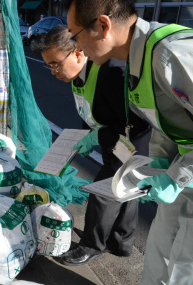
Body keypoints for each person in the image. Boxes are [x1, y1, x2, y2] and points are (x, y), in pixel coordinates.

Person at [67, 0, 193, 283]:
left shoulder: (171, 54)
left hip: (187, 174)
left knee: (183, 270)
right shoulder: (138, 59)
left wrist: (179, 176)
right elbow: (164, 120)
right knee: (158, 258)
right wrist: (162, 163)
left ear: (102, 26)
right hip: (181, 173)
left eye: (75, 36)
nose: (76, 48)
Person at [33, 25, 150, 265]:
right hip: (112, 140)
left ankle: (91, 245)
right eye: (49, 65)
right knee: (126, 190)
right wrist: (78, 141)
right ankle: (121, 243)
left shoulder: (109, 71)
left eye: (56, 63)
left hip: (131, 141)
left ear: (77, 53)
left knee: (103, 192)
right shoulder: (78, 76)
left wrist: (95, 138)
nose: (53, 71)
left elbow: (131, 122)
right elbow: (88, 111)